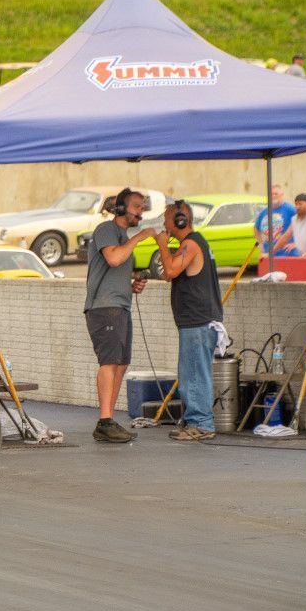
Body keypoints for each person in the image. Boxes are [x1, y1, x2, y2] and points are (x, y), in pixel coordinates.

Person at [83, 188, 154, 443]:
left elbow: (117, 268)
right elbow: (113, 258)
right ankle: (104, 420)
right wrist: (140, 237)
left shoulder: (123, 236)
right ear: (121, 208)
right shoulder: (106, 230)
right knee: (109, 363)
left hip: (120, 306)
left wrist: (133, 283)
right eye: (137, 206)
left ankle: (108, 421)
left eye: (143, 207)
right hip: (104, 308)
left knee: (121, 364)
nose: (141, 212)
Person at [154, 201, 224, 441]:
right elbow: (166, 273)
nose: (164, 224)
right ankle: (195, 420)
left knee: (194, 374)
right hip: (195, 321)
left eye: (167, 219)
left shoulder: (192, 244)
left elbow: (171, 271)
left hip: (198, 321)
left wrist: (162, 244)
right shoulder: (190, 244)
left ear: (180, 220)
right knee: (190, 374)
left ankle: (201, 423)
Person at [254, 184, 298, 257]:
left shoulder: (290, 209)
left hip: (287, 254)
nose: (273, 196)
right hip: (268, 255)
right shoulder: (264, 211)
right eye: (271, 194)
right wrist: (260, 244)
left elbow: (303, 225)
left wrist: (296, 244)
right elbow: (256, 228)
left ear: (282, 195)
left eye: (276, 194)